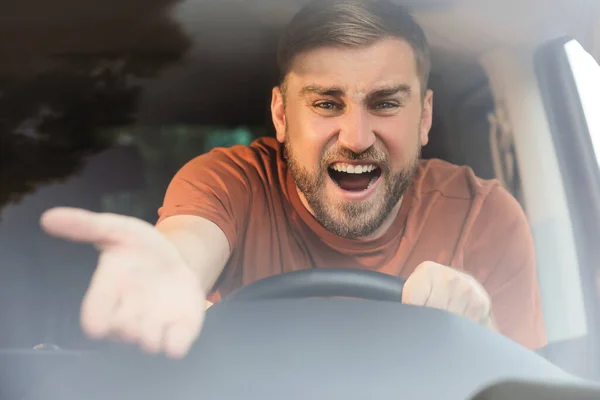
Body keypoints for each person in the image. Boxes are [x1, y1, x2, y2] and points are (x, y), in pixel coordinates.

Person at [40, 0, 546, 359]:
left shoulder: (485, 218)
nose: (355, 137)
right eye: (327, 104)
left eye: (386, 103)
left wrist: (484, 334)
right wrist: (164, 276)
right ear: (281, 116)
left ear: (425, 117)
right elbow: (187, 245)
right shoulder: (231, 181)